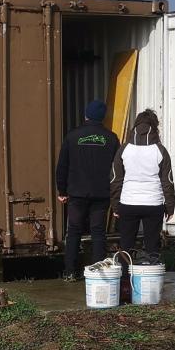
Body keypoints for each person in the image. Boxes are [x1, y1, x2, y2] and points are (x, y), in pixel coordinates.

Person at [110, 109, 175, 298]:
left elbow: (115, 180)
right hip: (153, 203)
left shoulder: (124, 149)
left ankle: (124, 287)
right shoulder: (160, 150)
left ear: (136, 126)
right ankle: (150, 288)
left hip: (128, 202)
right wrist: (170, 206)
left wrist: (115, 205)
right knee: (152, 246)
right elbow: (167, 181)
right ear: (155, 127)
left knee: (126, 245)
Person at [56, 99, 120, 280]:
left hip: (77, 193)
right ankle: (98, 273)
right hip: (102, 194)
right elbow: (118, 169)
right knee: (98, 231)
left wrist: (62, 190)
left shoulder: (73, 136)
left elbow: (63, 165)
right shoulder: (112, 138)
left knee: (74, 230)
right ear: (103, 117)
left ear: (86, 115)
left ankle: (70, 272)